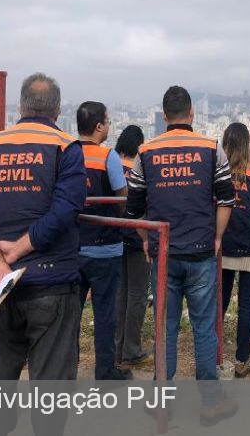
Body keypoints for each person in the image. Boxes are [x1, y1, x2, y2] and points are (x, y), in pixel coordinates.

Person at [0, 73, 86, 436]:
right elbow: (66, 209)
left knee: (0, 373)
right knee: (50, 385)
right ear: (58, 109)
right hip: (51, 283)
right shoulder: (65, 146)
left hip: (2, 287)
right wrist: (22, 246)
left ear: (21, 106)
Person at [126, 85, 237, 426]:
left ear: (163, 117)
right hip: (201, 252)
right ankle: (211, 403)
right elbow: (227, 199)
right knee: (204, 329)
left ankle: (162, 403)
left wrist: (146, 240)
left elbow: (134, 210)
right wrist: (217, 237)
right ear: (191, 114)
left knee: (166, 329)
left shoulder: (146, 152)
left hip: (164, 256)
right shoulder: (210, 148)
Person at [76, 101, 133, 381]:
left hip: (72, 249)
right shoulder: (107, 157)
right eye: (108, 122)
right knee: (105, 314)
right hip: (105, 248)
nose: (109, 126)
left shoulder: (67, 154)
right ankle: (105, 371)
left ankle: (64, 370)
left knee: (69, 317)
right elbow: (122, 198)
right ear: (98, 126)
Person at [220, 122, 250, 378]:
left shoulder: (218, 172)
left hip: (222, 246)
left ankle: (214, 355)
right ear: (247, 145)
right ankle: (241, 360)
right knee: (246, 304)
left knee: (220, 303)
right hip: (249, 247)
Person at [113, 125, 151, 366]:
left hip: (115, 237)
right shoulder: (140, 169)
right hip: (138, 238)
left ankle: (118, 346)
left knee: (121, 292)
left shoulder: (113, 166)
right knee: (137, 293)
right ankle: (132, 348)